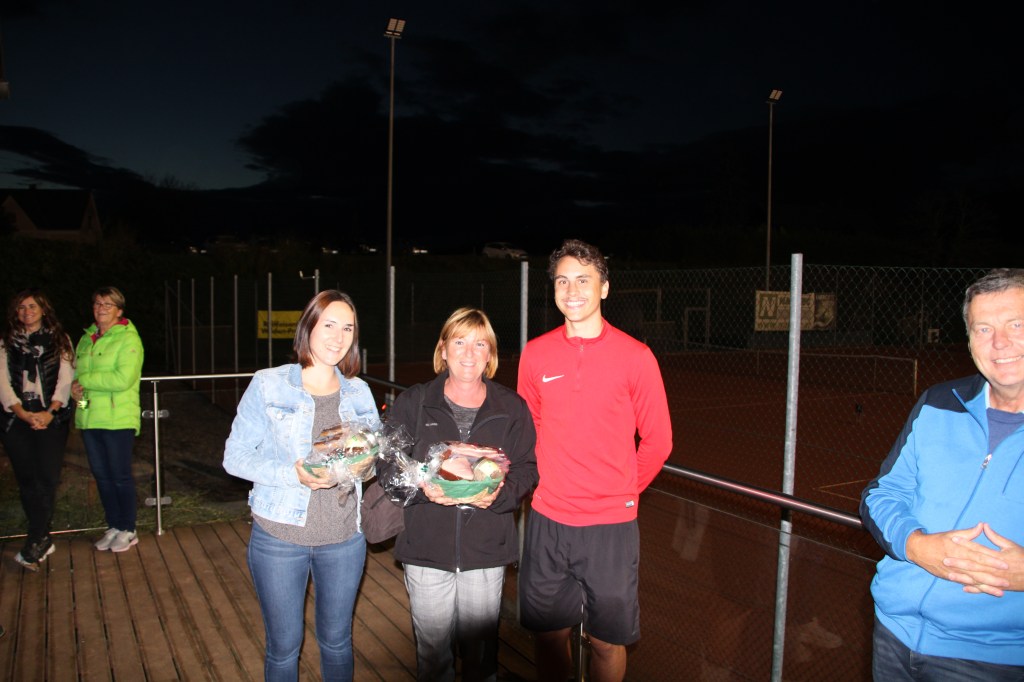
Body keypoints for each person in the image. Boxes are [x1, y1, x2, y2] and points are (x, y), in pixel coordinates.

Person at [516, 238, 673, 682]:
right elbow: (530, 428)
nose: (572, 290)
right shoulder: (536, 353)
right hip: (548, 519)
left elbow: (658, 440)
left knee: (606, 642)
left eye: (584, 280)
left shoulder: (637, 357)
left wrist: (621, 491)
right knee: (550, 636)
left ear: (604, 287)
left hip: (610, 527)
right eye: (563, 281)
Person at [860, 267, 1024, 680]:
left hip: (992, 658)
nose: (1000, 343)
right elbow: (881, 495)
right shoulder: (938, 402)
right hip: (893, 632)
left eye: (1016, 324)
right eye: (983, 328)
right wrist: (915, 546)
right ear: (968, 340)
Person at [223, 290, 380, 681]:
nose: (338, 337)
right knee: (283, 648)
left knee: (337, 642)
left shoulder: (359, 391)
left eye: (348, 328)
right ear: (308, 326)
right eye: (329, 325)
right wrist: (291, 473)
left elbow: (371, 463)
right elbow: (234, 457)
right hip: (279, 537)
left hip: (344, 539)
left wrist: (363, 464)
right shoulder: (269, 384)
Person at [383, 307, 538, 682]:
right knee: (434, 659)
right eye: (459, 342)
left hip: (485, 552)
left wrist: (498, 496)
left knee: (481, 661)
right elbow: (388, 465)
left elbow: (526, 469)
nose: (469, 353)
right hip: (426, 551)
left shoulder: (511, 407)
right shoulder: (415, 402)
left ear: (490, 354)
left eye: (480, 344)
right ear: (443, 349)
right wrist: (424, 488)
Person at [0, 289, 75, 570]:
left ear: (44, 310)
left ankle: (36, 538)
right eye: (21, 307)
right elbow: (2, 382)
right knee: (27, 480)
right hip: (15, 418)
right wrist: (21, 413)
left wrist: (48, 413)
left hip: (50, 418)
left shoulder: (60, 340)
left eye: (32, 306)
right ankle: (41, 537)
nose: (27, 311)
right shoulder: (6, 342)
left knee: (47, 478)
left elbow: (65, 381)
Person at [71, 286, 144, 553]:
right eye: (98, 303)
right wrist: (76, 395)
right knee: (101, 476)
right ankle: (114, 525)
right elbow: (77, 379)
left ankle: (128, 528)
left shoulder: (128, 339)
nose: (101, 308)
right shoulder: (86, 338)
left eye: (108, 304)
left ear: (119, 311)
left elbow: (122, 379)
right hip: (89, 418)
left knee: (120, 476)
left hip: (118, 420)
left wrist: (84, 380)